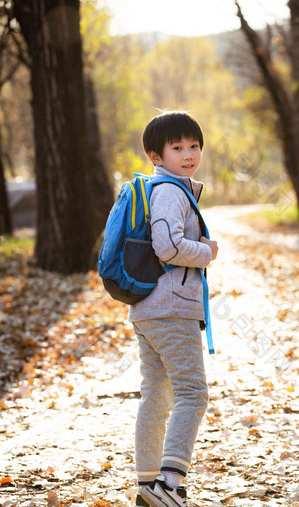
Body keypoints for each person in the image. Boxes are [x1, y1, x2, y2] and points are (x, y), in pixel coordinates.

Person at [130, 111, 218, 507]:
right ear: (155, 155)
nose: (188, 154)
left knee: (157, 394)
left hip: (149, 308)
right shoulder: (169, 190)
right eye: (177, 147)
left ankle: (149, 485)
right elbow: (168, 246)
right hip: (171, 308)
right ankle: (169, 484)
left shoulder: (166, 187)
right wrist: (208, 253)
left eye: (194, 146)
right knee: (193, 394)